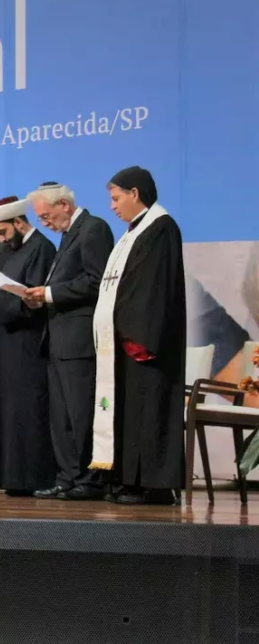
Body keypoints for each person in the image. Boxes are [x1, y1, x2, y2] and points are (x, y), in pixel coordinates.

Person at [91, 166, 185, 505]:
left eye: (116, 198)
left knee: (149, 410)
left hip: (145, 341)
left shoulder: (161, 228)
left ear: (135, 193)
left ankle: (154, 485)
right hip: (124, 340)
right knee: (129, 412)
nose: (112, 206)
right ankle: (127, 479)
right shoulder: (131, 234)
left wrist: (134, 333)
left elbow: (153, 289)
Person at [25, 181, 115, 501]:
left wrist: (49, 293)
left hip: (79, 340)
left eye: (45, 216)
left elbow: (96, 281)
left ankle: (90, 480)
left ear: (63, 204)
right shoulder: (67, 235)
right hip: (59, 339)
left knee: (81, 414)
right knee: (61, 418)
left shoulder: (93, 229)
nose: (43, 223)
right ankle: (67, 476)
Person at [0, 197, 56, 495]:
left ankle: (31, 478)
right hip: (3, 340)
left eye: (3, 232)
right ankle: (8, 477)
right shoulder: (7, 251)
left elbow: (33, 298)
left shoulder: (41, 249)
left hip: (26, 343)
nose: (1, 239)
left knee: (27, 410)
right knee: (5, 410)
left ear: (19, 223)